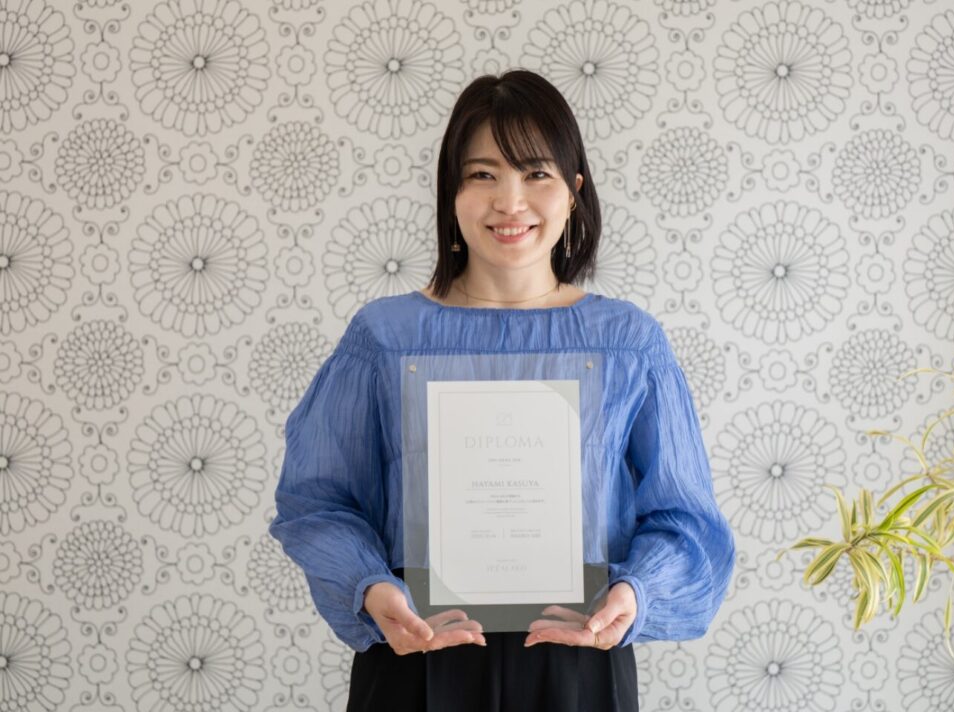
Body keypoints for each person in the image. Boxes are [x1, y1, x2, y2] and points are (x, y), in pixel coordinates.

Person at [269, 69, 735, 711]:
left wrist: (635, 594)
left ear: (573, 192)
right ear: (451, 192)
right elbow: (319, 500)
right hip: (417, 659)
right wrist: (370, 588)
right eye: (483, 174)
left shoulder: (628, 343)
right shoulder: (384, 338)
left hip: (578, 668)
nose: (510, 202)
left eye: (536, 173)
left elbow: (685, 518)